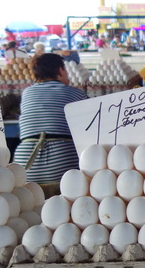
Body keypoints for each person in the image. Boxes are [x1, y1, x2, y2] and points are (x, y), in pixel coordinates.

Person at [11, 54, 88, 183]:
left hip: (24, 164)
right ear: (60, 70)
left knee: (31, 200)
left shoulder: (27, 93)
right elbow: (93, 122)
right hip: (62, 160)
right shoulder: (74, 93)